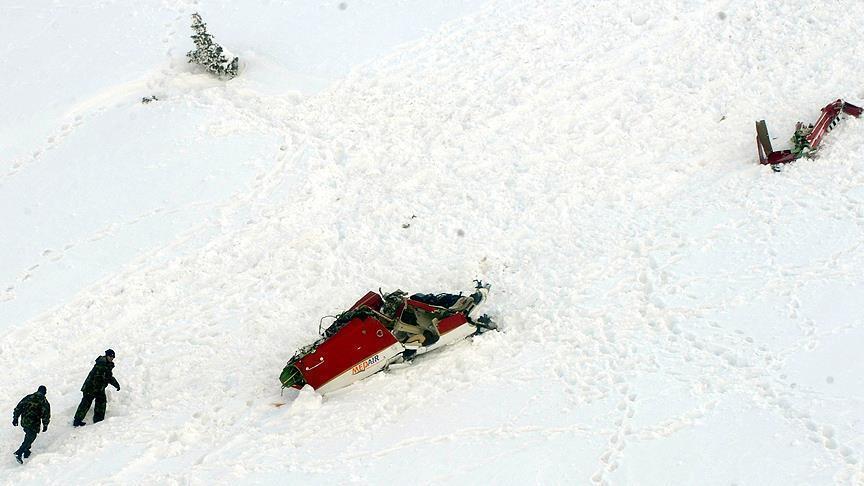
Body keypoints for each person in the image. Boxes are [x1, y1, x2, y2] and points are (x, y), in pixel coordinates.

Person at [73, 349, 120, 427]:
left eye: (113, 357)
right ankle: (77, 421)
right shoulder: (102, 364)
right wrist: (115, 384)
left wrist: (116, 385)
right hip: (91, 388)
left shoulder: (106, 364)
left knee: (101, 403)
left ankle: (98, 420)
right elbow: (106, 378)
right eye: (110, 356)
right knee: (85, 404)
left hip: (98, 388)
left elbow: (108, 377)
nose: (112, 358)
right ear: (106, 355)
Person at [12, 385, 51, 464]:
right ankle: (19, 452)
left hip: (24, 421)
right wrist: (45, 425)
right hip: (33, 423)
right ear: (45, 392)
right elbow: (46, 414)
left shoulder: (28, 397)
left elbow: (19, 407)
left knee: (28, 435)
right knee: (31, 436)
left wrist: (15, 418)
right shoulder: (44, 401)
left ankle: (26, 450)